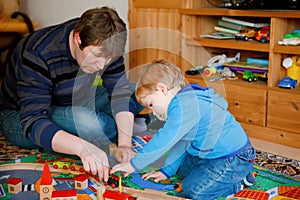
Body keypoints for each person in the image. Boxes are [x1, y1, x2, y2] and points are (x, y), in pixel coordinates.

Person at [0, 7, 139, 182]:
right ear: (77, 38)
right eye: (97, 56)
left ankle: (111, 128)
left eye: (108, 60)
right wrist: (82, 148)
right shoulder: (37, 52)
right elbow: (33, 121)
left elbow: (120, 92)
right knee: (88, 123)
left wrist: (125, 144)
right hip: (21, 115)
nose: (102, 66)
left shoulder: (107, 45)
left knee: (139, 91)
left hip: (75, 99)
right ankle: (109, 128)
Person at [111, 60, 257, 199]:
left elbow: (164, 139)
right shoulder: (183, 103)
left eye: (151, 104)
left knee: (194, 191)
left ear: (162, 89)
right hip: (210, 155)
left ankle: (241, 181)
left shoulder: (184, 106)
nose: (153, 112)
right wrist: (166, 171)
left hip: (232, 157)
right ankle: (231, 175)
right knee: (182, 170)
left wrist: (134, 164)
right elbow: (182, 143)